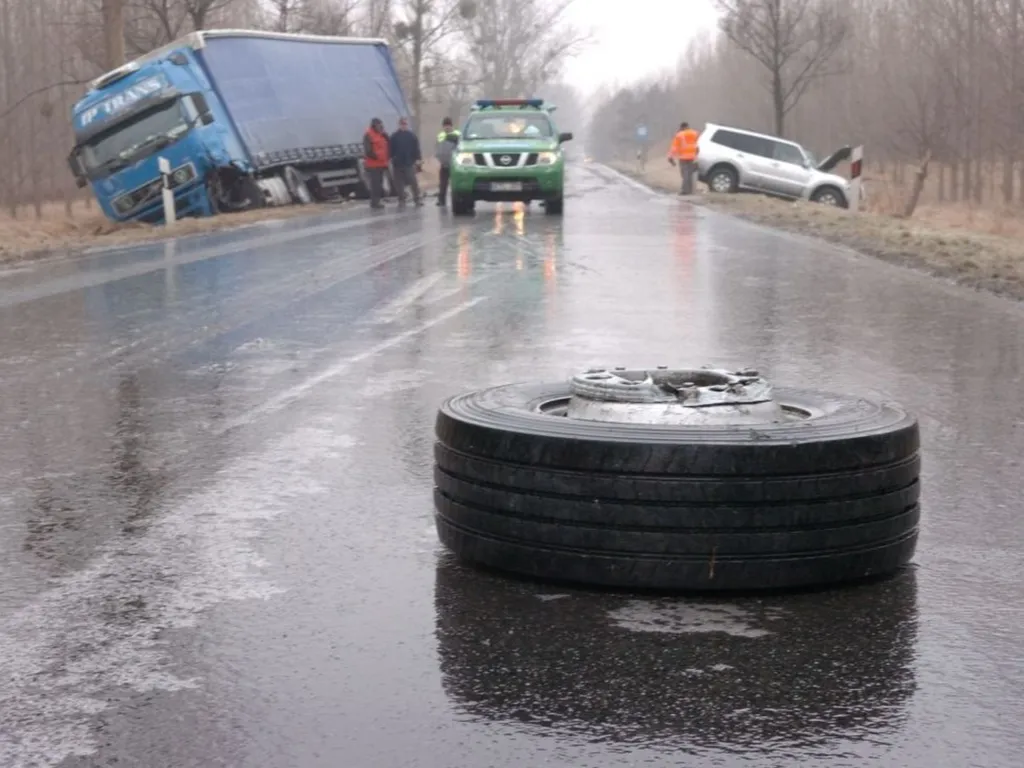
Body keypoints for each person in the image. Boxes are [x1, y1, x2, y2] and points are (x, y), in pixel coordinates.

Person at [389, 117, 423, 208]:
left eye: (405, 124)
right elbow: (390, 150)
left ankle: (417, 199)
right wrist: (392, 158)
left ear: (407, 125)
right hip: (398, 164)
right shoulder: (394, 137)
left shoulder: (411, 136)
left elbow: (416, 149)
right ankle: (401, 200)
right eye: (402, 124)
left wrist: (418, 159)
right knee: (399, 184)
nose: (403, 125)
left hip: (409, 163)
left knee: (413, 182)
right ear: (399, 125)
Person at [363, 117, 390, 209]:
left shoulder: (382, 134)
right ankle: (375, 202)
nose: (380, 127)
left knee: (380, 183)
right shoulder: (368, 135)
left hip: (382, 164)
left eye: (381, 125)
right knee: (375, 184)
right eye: (378, 125)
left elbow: (388, 145)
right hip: (373, 164)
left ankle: (378, 201)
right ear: (374, 126)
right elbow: (368, 151)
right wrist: (378, 157)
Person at [668, 121, 700, 195]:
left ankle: (685, 190)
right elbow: (696, 144)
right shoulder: (695, 133)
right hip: (692, 156)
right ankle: (690, 190)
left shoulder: (679, 135)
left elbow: (674, 147)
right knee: (689, 173)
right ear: (688, 126)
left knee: (685, 174)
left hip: (683, 157)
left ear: (682, 127)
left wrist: (670, 157)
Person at [435, 117, 461, 207]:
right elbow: (438, 148)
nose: (446, 127)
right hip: (444, 163)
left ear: (451, 125)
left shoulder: (457, 134)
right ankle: (441, 200)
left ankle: (459, 200)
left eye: (448, 125)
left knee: (456, 183)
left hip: (455, 164)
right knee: (442, 183)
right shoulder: (440, 135)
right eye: (445, 126)